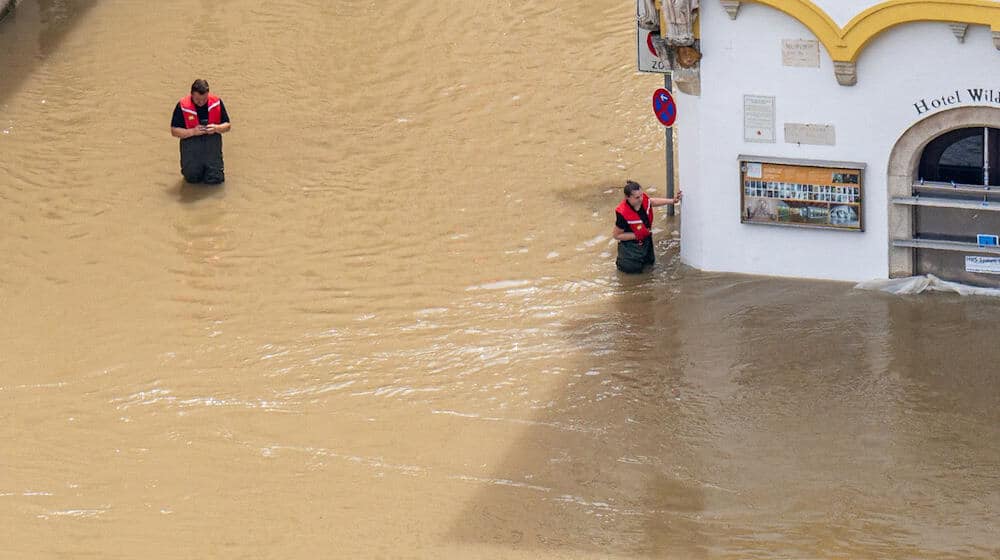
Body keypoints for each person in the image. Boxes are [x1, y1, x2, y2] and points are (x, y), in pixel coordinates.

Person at [612, 180, 683, 273]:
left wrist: (672, 201)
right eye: (637, 197)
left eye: (641, 195)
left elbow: (651, 202)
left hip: (646, 242)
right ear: (627, 197)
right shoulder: (623, 214)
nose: (641, 199)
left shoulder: (643, 200)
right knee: (632, 275)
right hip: (630, 251)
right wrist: (637, 235)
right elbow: (616, 235)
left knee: (649, 267)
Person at [170, 79, 231, 184]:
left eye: (204, 99)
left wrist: (216, 128)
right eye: (198, 99)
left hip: (212, 151)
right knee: (191, 180)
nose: (201, 102)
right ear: (191, 94)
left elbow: (228, 126)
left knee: (215, 181)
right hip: (191, 151)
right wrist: (192, 132)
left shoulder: (216, 103)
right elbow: (174, 131)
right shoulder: (182, 106)